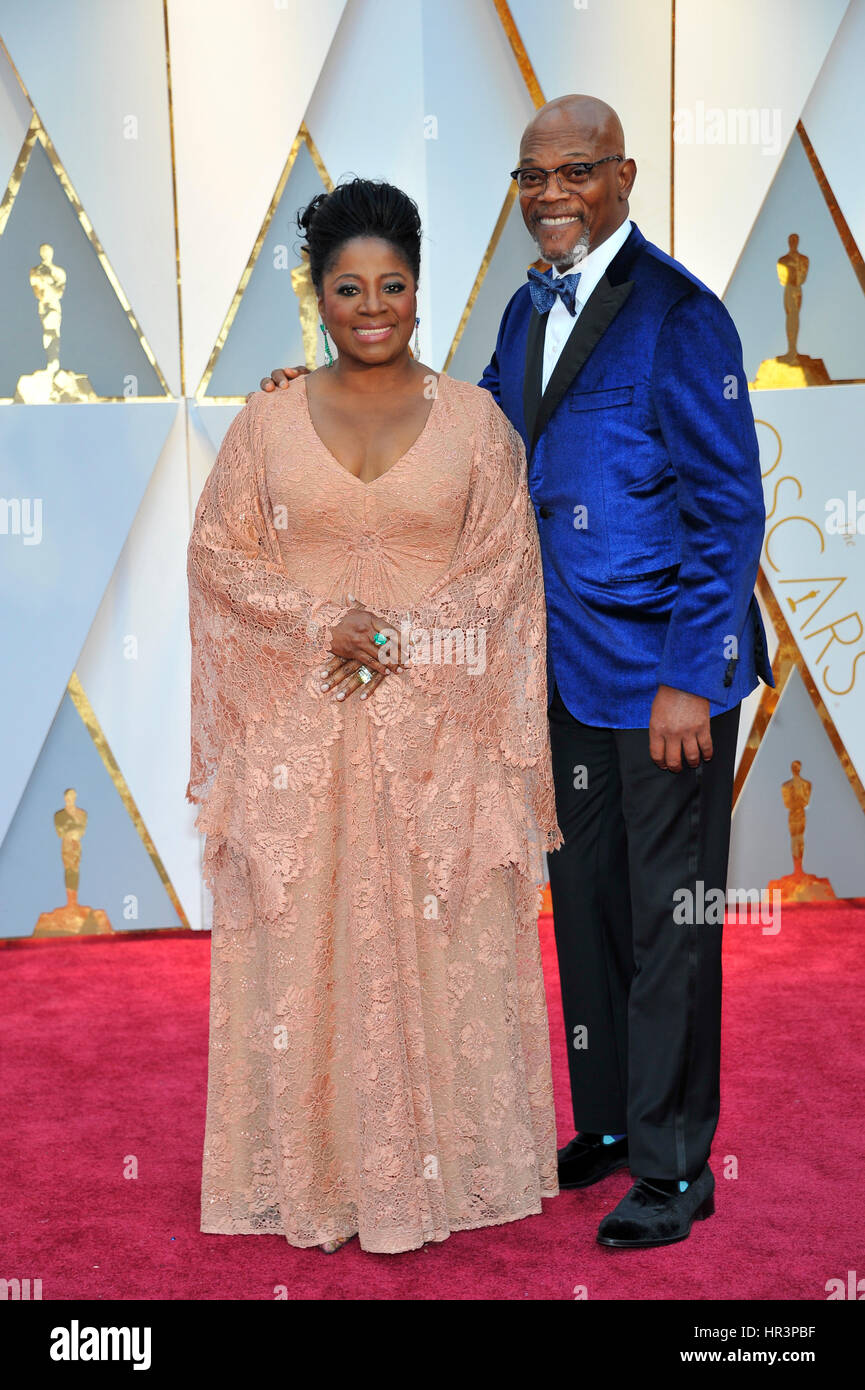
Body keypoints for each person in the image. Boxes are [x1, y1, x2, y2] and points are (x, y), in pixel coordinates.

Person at [263, 96, 773, 1250]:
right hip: (554, 674)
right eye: (531, 176)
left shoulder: (681, 317)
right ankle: (610, 1127)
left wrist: (691, 675)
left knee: (667, 922)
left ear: (623, 176)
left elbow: (728, 506)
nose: (549, 195)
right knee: (586, 915)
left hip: (661, 683)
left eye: (574, 172)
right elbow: (469, 438)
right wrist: (314, 396)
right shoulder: (520, 311)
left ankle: (676, 1166)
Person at [186, 179, 563, 1256]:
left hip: (434, 741)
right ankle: (315, 1176)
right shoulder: (264, 419)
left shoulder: (478, 423)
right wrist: (319, 620)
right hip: (298, 745)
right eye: (348, 286)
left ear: (416, 288)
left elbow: (502, 574)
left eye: (391, 284)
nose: (371, 305)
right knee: (304, 958)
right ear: (317, 293)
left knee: (439, 951)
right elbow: (216, 558)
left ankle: (446, 1171)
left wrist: (396, 640)